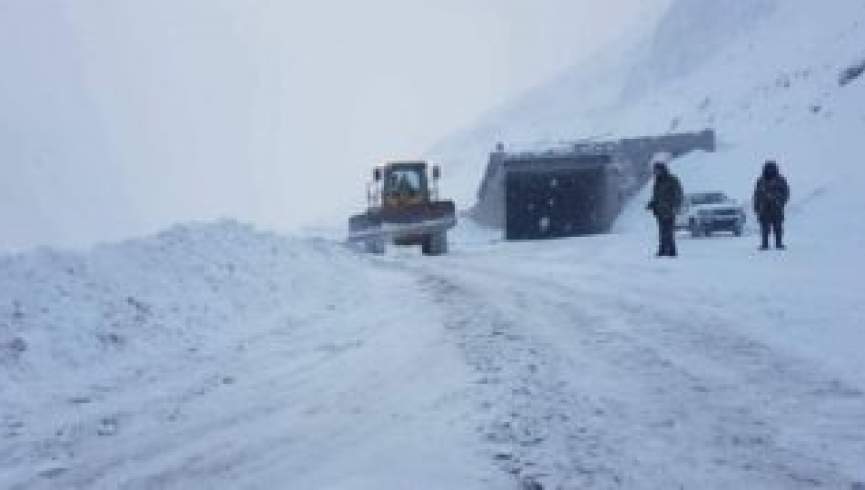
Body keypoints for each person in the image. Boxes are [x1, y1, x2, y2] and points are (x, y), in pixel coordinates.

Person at [647, 161, 684, 257]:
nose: (655, 172)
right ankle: (663, 249)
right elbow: (657, 196)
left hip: (669, 209)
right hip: (659, 210)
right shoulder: (657, 181)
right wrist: (652, 203)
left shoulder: (672, 180)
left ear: (662, 169)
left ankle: (672, 251)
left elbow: (678, 194)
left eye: (656, 170)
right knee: (662, 231)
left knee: (668, 231)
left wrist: (676, 206)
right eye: (654, 170)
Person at [753, 160, 790, 250]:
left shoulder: (781, 180)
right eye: (768, 168)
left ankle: (779, 243)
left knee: (778, 227)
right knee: (764, 228)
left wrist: (778, 199)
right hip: (764, 208)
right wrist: (757, 207)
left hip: (776, 208)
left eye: (771, 168)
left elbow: (786, 193)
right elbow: (756, 195)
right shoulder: (760, 181)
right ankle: (764, 244)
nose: (770, 170)